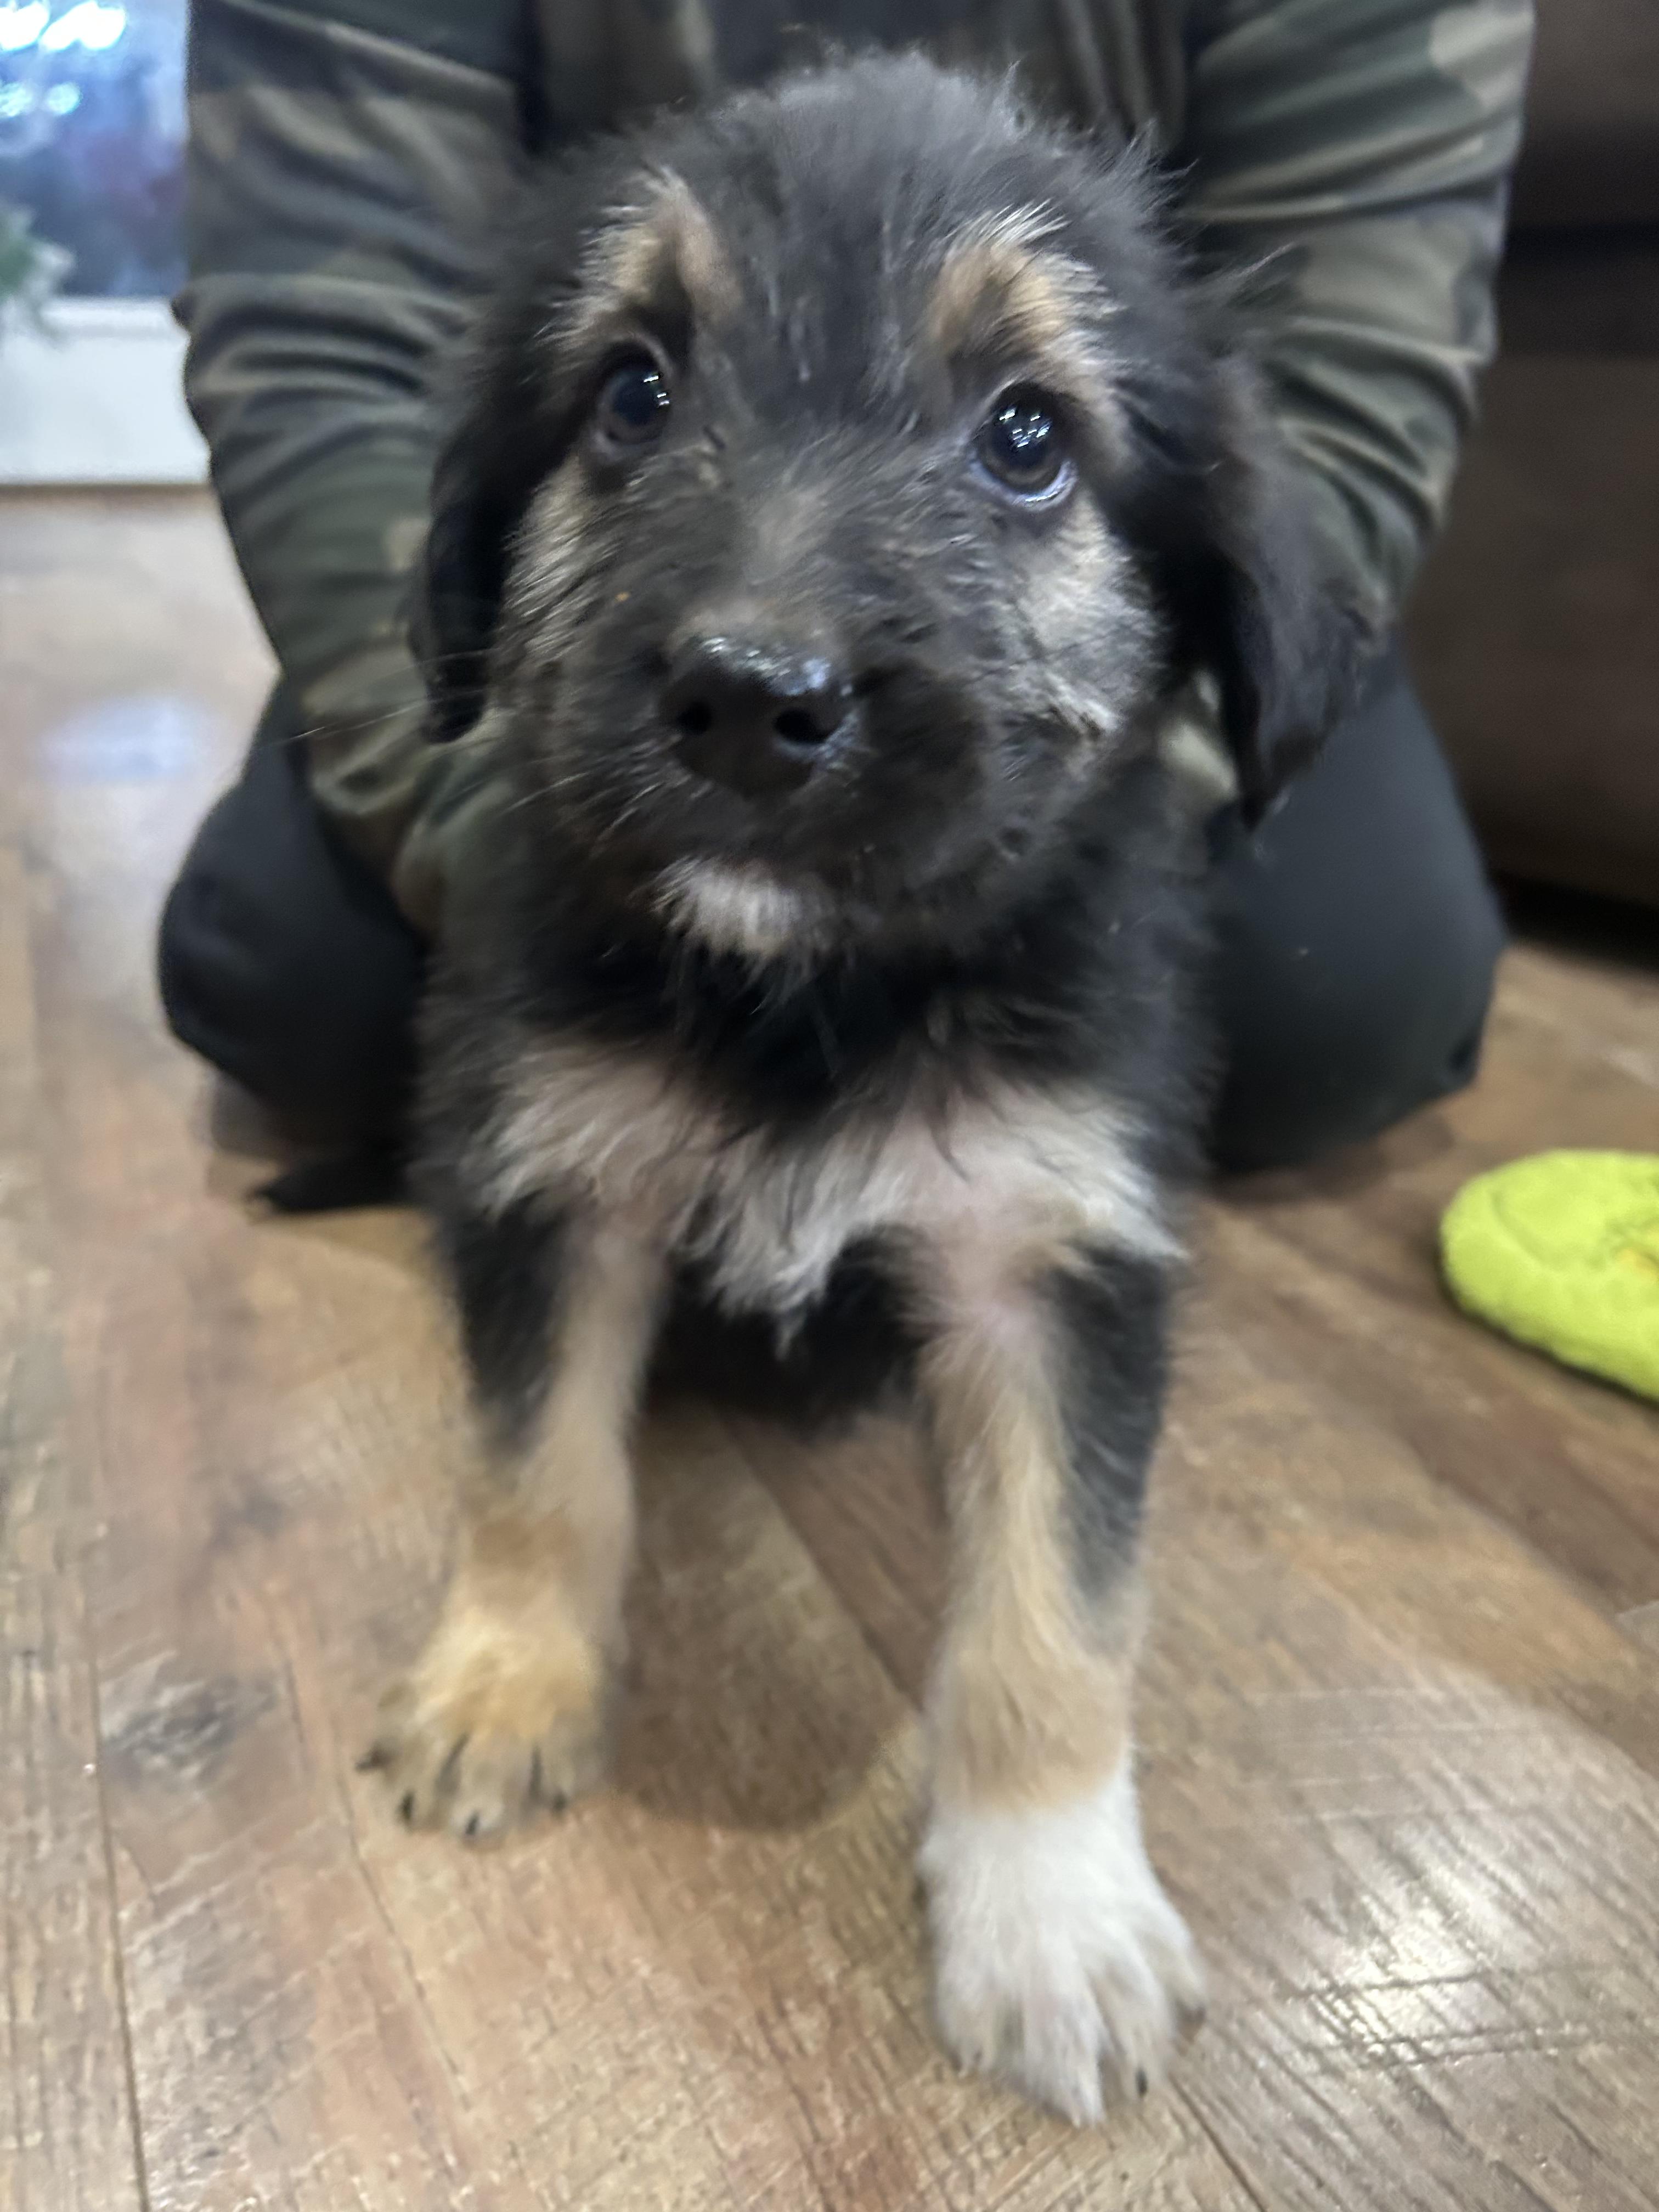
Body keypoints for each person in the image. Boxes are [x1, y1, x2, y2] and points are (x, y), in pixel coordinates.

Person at [159, 0, 1532, 1179]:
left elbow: (1339, 385)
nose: (776, 637)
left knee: (1336, 996)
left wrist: (1052, 883)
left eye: (1019, 437)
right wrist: (522, 861)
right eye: (644, 394)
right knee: (307, 991)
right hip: (568, 617)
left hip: (1094, 686)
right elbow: (331, 350)